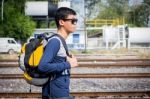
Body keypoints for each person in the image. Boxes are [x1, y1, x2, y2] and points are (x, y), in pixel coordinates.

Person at [38, 7, 78, 99]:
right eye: (73, 21)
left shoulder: (61, 41)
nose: (75, 24)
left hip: (60, 92)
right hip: (54, 94)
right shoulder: (55, 41)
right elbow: (42, 66)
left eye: (76, 21)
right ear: (61, 22)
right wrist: (68, 64)